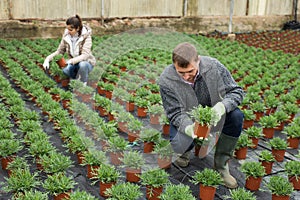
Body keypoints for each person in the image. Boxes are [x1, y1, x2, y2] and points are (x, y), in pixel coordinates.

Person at [158, 42, 244, 189]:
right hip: (185, 117)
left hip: (212, 115)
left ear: (198, 61)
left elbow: (236, 92)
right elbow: (174, 112)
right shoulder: (166, 79)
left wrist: (221, 107)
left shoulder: (213, 67)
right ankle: (185, 151)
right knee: (178, 144)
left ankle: (221, 166)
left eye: (190, 71)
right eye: (181, 73)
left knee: (236, 116)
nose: (186, 76)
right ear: (174, 66)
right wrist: (189, 128)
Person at [43, 14, 96, 85]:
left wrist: (71, 61)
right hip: (74, 63)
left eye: (71, 29)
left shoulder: (86, 37)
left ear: (77, 29)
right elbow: (59, 51)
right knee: (66, 70)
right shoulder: (66, 36)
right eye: (67, 29)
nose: (68, 31)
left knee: (82, 65)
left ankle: (84, 82)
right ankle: (75, 79)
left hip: (86, 63)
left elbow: (85, 55)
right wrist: (47, 59)